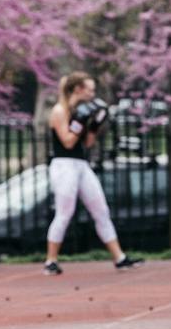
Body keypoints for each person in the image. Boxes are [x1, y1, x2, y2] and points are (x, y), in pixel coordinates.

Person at [44, 72, 142, 275]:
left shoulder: (82, 110)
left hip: (81, 164)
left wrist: (95, 125)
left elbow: (87, 143)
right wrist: (79, 121)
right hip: (64, 165)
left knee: (101, 210)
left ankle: (119, 258)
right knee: (64, 213)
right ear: (78, 89)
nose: (92, 94)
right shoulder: (60, 111)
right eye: (89, 89)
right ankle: (50, 260)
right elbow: (68, 141)